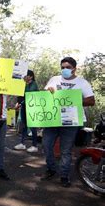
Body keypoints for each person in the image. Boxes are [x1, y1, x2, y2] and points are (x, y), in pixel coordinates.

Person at [41, 57, 95, 187]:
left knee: (66, 150)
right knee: (46, 145)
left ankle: (64, 175)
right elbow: (45, 95)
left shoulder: (82, 83)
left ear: (74, 69)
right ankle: (51, 169)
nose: (65, 70)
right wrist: (48, 92)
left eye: (68, 67)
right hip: (53, 119)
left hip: (71, 122)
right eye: (62, 67)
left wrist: (75, 101)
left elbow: (91, 101)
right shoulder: (54, 80)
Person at [14, 70, 39, 152]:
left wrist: (21, 103)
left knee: (32, 126)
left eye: (26, 75)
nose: (24, 77)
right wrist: (18, 103)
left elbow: (29, 95)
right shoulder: (23, 84)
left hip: (32, 108)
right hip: (24, 107)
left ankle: (34, 146)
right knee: (24, 125)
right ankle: (22, 144)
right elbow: (20, 94)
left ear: (31, 77)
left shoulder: (33, 85)